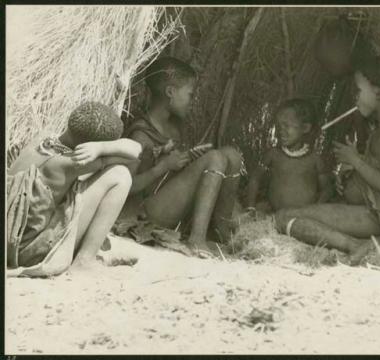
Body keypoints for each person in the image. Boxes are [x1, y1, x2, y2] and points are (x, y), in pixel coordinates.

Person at [275, 56, 380, 264]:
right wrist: (355, 167)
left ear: (378, 94)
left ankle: (357, 246)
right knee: (289, 215)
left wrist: (356, 161)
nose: (355, 98)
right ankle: (372, 241)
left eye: (359, 91)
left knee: (284, 217)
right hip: (379, 214)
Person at [124, 57, 244, 258]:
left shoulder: (174, 128)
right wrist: (162, 167)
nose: (192, 100)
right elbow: (126, 186)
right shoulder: (140, 135)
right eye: (190, 94)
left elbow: (173, 176)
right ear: (170, 92)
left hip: (170, 202)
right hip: (147, 213)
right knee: (215, 158)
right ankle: (196, 240)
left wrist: (187, 160)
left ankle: (222, 230)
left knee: (231, 155)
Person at [7, 102, 143, 276]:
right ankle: (84, 261)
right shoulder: (68, 163)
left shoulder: (43, 138)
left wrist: (98, 147)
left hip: (14, 238)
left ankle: (95, 254)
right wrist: (102, 148)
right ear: (88, 147)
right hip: (30, 251)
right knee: (120, 175)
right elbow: (134, 153)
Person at [246, 98, 331, 214]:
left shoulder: (314, 159)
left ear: (305, 128)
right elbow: (255, 178)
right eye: (279, 126)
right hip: (274, 216)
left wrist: (316, 210)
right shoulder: (273, 154)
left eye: (287, 126)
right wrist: (251, 206)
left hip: (302, 218)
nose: (281, 130)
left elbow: (326, 189)